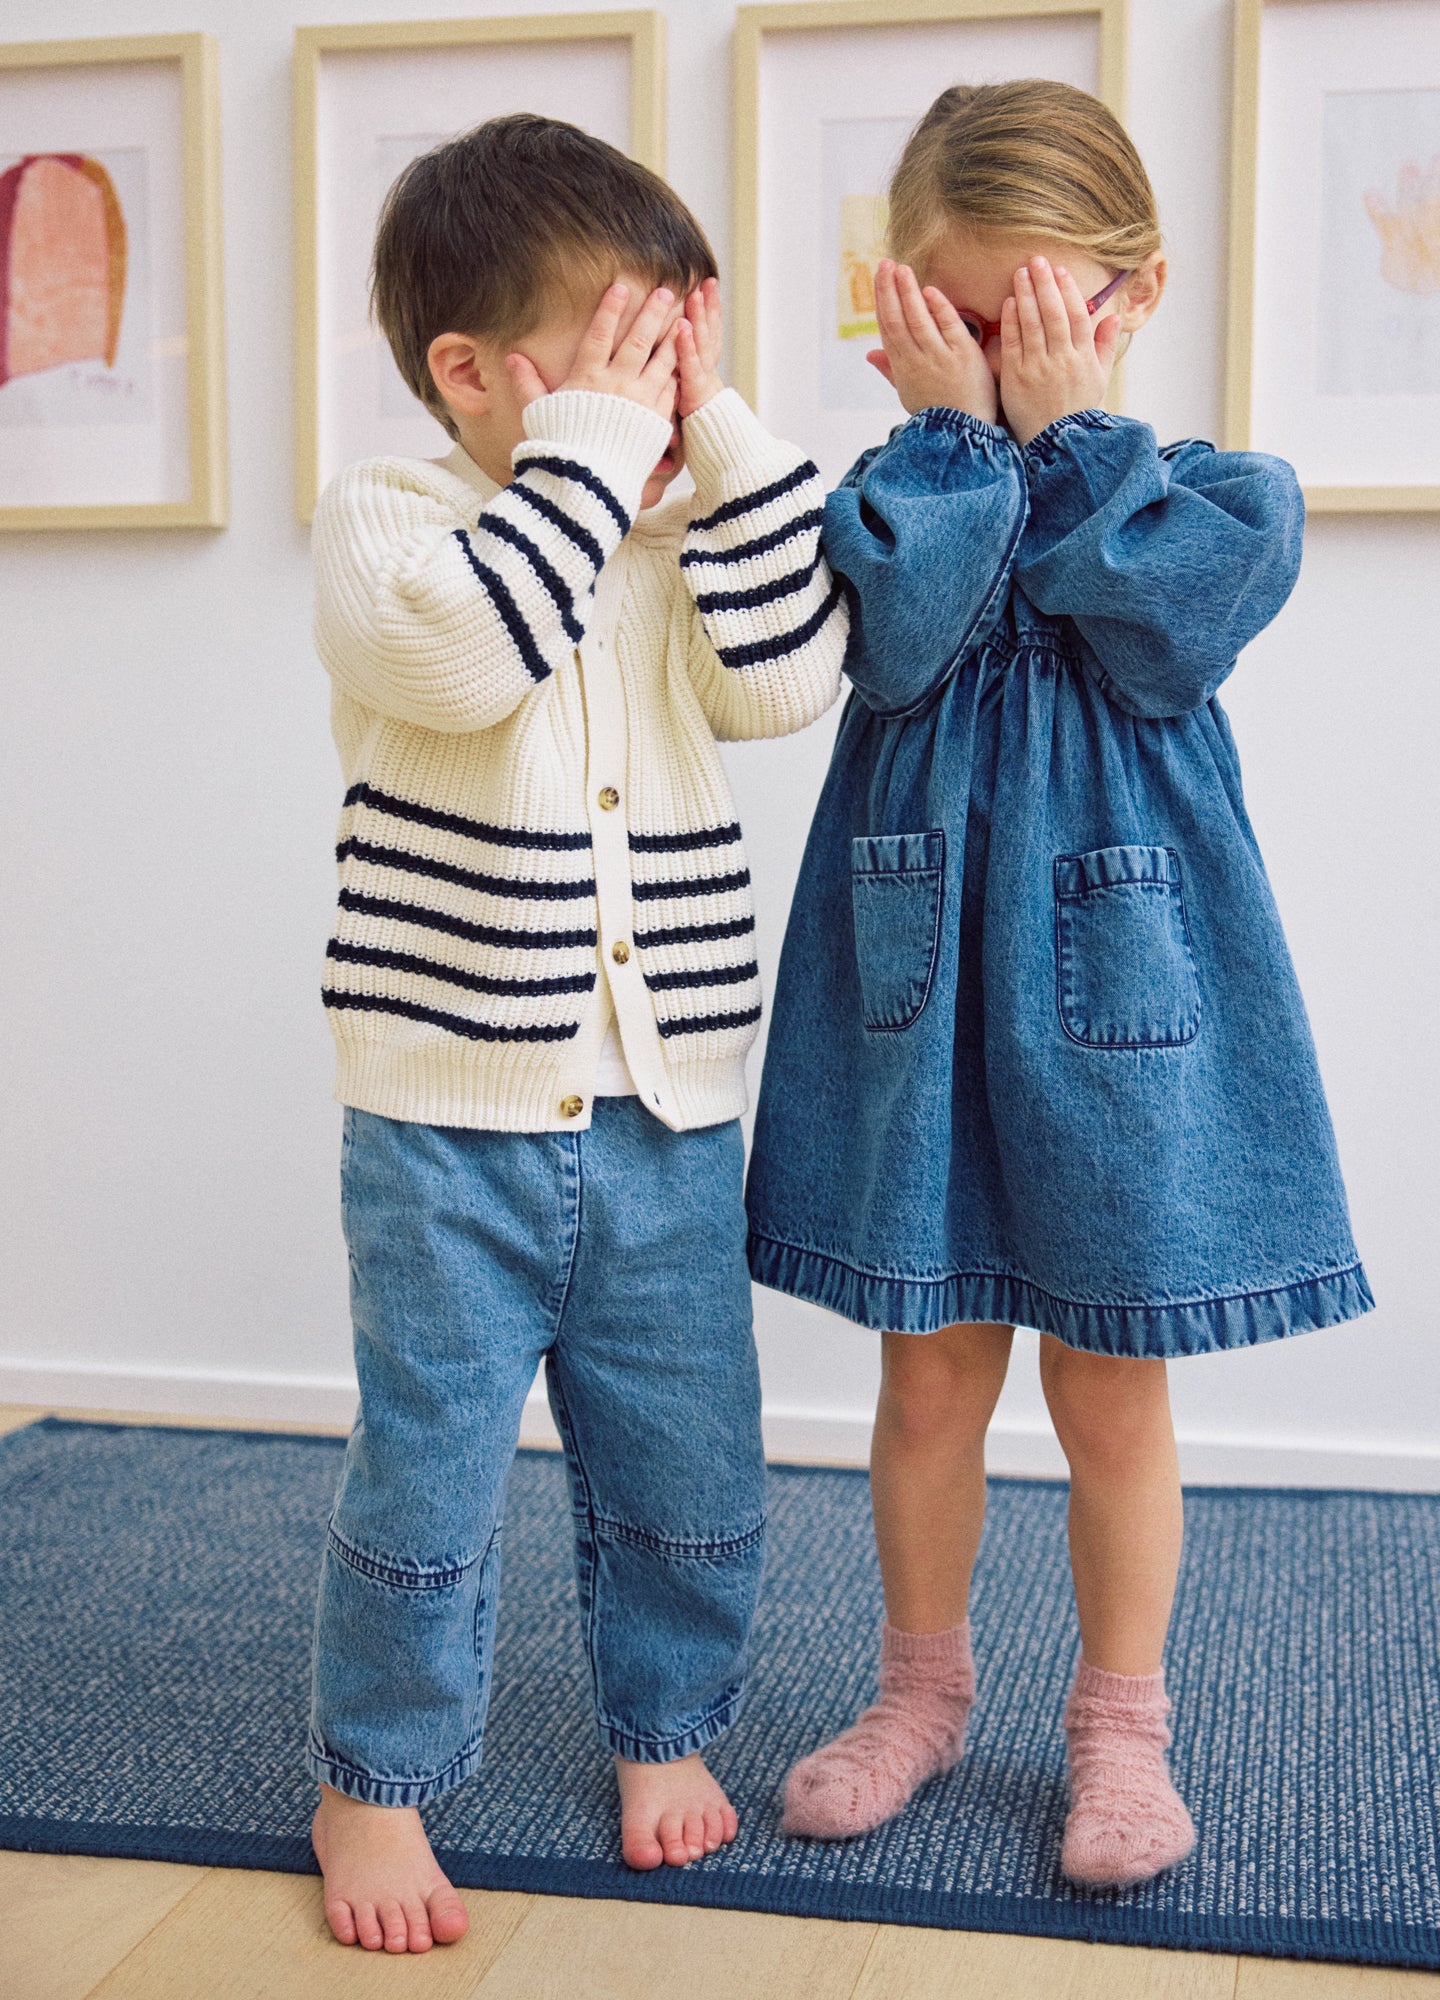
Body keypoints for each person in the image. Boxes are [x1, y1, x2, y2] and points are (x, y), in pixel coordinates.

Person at [745, 79, 1372, 1890]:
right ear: (901, 313)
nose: (1008, 357)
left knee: (1114, 1390)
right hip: (922, 982)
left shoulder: (1217, 500)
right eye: (964, 317)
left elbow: (1166, 637)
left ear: (1135, 295)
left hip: (1128, 1002)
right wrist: (952, 445)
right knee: (928, 1374)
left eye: (1045, 315)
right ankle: (919, 1692)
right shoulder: (891, 494)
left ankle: (1120, 1725)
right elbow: (908, 644)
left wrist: (1075, 435)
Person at [306, 113, 846, 1953]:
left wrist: (727, 436)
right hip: (444, 1118)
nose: (648, 391)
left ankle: (666, 1726)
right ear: (467, 376)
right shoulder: (400, 526)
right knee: (431, 1469)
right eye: (611, 355)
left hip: (668, 1111)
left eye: (666, 348)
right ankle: (375, 1781)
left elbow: (785, 686)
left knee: (687, 1457)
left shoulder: (663, 537)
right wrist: (597, 463)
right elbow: (469, 660)